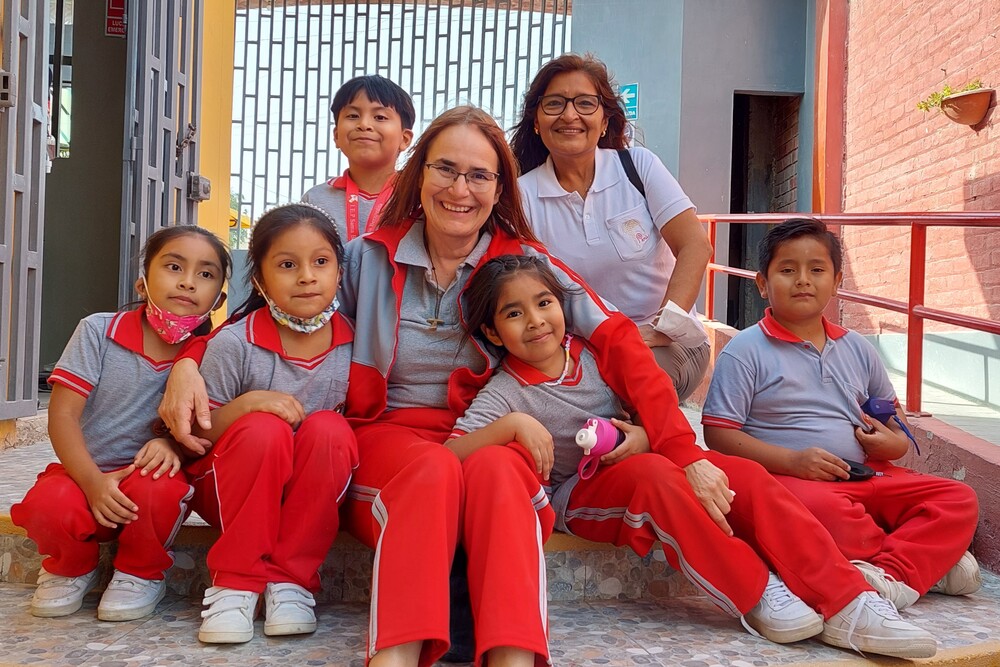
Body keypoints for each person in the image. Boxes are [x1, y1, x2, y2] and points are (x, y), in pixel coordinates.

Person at [158, 104, 729, 666]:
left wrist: (677, 446)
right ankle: (397, 655)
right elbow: (269, 312)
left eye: (480, 175)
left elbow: (619, 341)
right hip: (387, 441)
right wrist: (190, 358)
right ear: (418, 174)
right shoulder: (365, 259)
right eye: (446, 169)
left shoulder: (525, 266)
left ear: (501, 188)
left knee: (504, 471)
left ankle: (516, 655)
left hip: (486, 435)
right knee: (431, 470)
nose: (462, 188)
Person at [448, 253, 939, 660]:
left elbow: (653, 411)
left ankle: (850, 600)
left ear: (562, 305)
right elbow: (452, 452)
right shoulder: (504, 392)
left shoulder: (594, 358)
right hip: (577, 495)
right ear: (493, 334)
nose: (535, 321)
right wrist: (509, 426)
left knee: (740, 473)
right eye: (514, 314)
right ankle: (754, 590)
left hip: (637, 462)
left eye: (544, 302)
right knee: (658, 476)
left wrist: (642, 434)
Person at [702, 218, 981, 611]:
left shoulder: (858, 349)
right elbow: (718, 434)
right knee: (820, 514)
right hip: (794, 482)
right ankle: (920, 566)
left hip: (867, 474)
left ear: (836, 282)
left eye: (817, 270)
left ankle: (890, 572)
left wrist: (894, 442)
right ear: (762, 283)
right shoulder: (746, 350)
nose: (803, 280)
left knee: (958, 498)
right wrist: (793, 461)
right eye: (787, 270)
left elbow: (891, 417)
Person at [11, 226, 229, 622]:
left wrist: (171, 445)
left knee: (159, 489)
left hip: (151, 480)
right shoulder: (98, 331)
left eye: (205, 274)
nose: (187, 281)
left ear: (219, 299)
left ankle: (139, 572)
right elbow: (61, 415)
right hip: (84, 474)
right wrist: (93, 483)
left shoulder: (215, 351)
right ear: (142, 283)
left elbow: (207, 422)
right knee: (48, 502)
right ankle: (71, 567)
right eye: (174, 266)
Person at [185, 204, 358, 644]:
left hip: (311, 498)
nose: (306, 276)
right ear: (259, 279)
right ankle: (235, 584)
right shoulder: (234, 343)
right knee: (263, 427)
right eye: (286, 264)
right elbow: (198, 435)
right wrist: (247, 406)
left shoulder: (358, 343)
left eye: (321, 262)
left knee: (330, 429)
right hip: (235, 488)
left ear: (339, 272)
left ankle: (291, 581)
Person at [511, 53, 714, 402]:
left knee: (629, 383)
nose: (570, 115)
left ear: (605, 121)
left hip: (665, 343)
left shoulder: (638, 168)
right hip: (579, 347)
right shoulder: (522, 196)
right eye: (555, 103)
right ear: (536, 121)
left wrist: (662, 327)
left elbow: (696, 246)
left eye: (585, 103)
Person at [301, 74, 415, 241]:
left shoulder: (416, 199)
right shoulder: (315, 200)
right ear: (337, 135)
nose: (364, 124)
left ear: (404, 139)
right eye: (353, 116)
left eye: (380, 117)